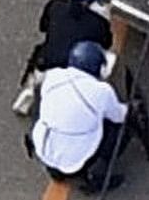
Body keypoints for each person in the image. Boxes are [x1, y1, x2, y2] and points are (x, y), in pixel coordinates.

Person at [26, 40, 134, 192]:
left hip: (43, 147)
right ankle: (95, 174)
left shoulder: (53, 76)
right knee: (121, 129)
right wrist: (130, 109)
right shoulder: (102, 91)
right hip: (77, 160)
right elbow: (119, 116)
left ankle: (56, 172)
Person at [33, 0, 115, 71]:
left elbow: (43, 27)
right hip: (75, 71)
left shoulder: (55, 5)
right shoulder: (99, 24)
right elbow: (107, 44)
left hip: (45, 64)